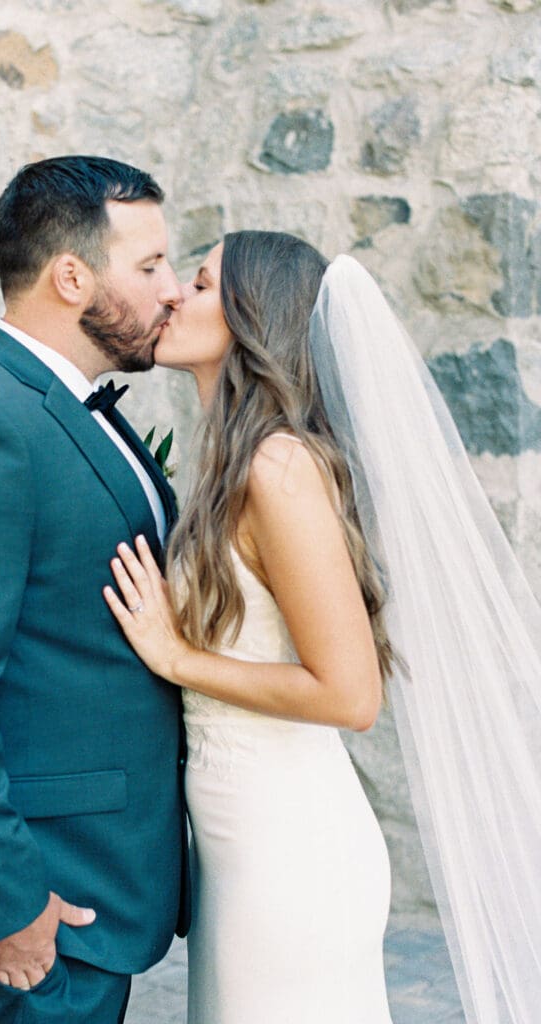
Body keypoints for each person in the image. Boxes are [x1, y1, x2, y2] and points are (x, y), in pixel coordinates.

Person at [104, 231, 541, 1024]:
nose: (172, 295)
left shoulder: (280, 468)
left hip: (289, 854)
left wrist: (176, 656)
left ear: (248, 318)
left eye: (199, 285)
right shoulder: (231, 465)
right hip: (237, 847)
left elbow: (350, 694)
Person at [0, 155, 189, 1024]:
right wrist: (3, 901)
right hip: (40, 892)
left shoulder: (67, 405)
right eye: (151, 264)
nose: (171, 289)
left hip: (97, 874)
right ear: (72, 276)